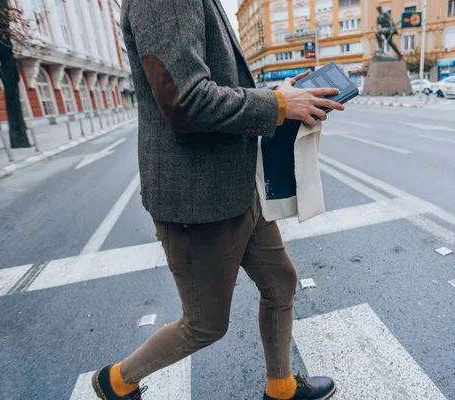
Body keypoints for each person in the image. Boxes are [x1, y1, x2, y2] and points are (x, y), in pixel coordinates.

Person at [90, 0, 345, 399]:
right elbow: (188, 102)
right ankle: (116, 382)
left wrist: (278, 95)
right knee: (205, 325)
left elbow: (213, 83)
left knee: (280, 283)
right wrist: (278, 104)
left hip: (239, 186)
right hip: (199, 200)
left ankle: (280, 388)